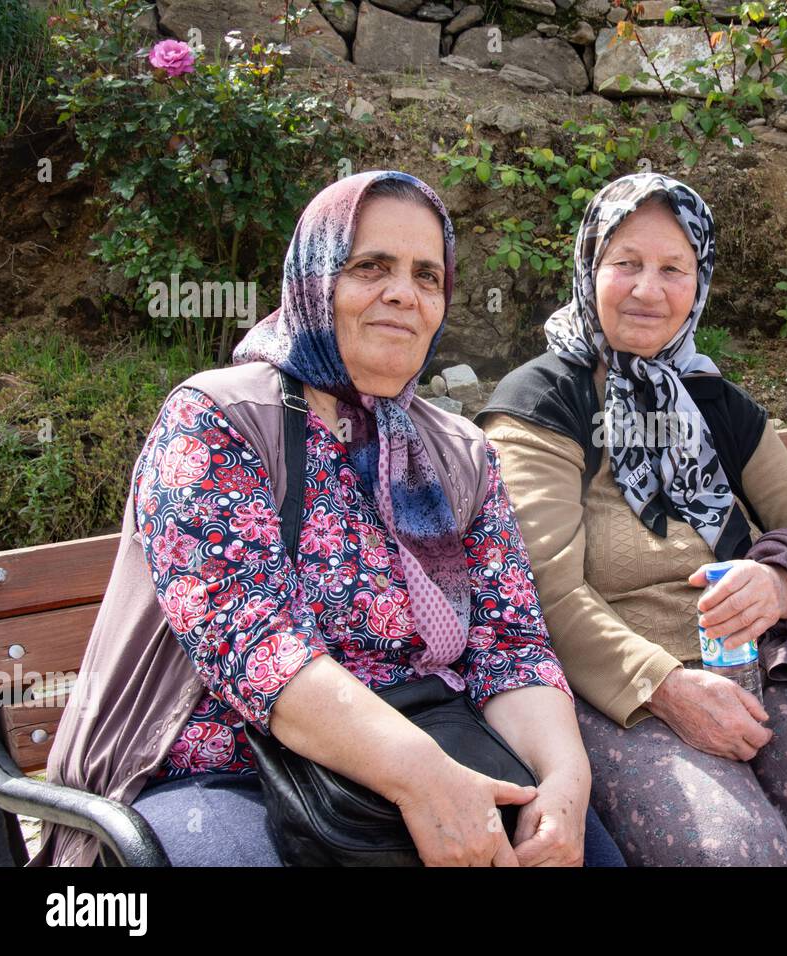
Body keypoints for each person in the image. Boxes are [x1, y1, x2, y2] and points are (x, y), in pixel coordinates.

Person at [33, 170, 622, 867]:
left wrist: (564, 782)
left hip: (432, 737)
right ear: (314, 280)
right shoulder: (217, 418)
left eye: (427, 276)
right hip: (229, 765)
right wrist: (425, 782)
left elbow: (510, 644)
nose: (403, 292)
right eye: (371, 266)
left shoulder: (461, 454)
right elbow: (256, 648)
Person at [479, 172, 787, 866]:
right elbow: (539, 589)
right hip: (616, 694)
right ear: (589, 269)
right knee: (735, 852)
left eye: (674, 268)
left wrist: (785, 586)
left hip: (762, 669)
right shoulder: (545, 401)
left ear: (698, 283)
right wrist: (665, 688)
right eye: (627, 264)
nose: (649, 289)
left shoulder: (714, 402)